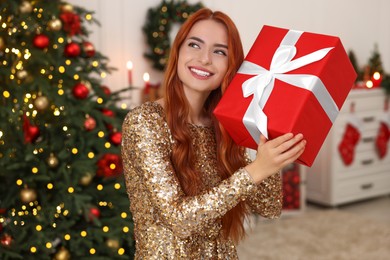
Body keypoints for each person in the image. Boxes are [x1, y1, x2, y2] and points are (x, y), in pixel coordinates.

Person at [121, 8, 306, 259]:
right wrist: (256, 170)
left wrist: (270, 150)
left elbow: (270, 207)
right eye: (194, 45)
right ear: (178, 52)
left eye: (219, 51)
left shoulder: (222, 126)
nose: (205, 58)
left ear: (231, 66)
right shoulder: (144, 122)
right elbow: (180, 220)